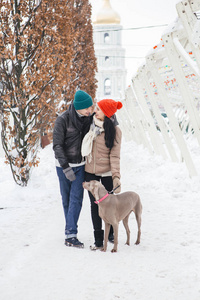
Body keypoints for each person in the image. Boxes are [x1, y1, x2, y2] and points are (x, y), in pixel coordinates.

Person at [53, 90, 93, 248]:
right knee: (67, 200)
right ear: (78, 107)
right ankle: (70, 232)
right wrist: (65, 167)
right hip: (64, 166)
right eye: (86, 108)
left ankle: (71, 234)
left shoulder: (89, 119)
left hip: (80, 166)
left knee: (76, 200)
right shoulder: (63, 119)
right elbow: (57, 146)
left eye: (91, 107)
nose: (90, 110)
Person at [81, 99, 123, 250]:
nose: (95, 111)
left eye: (98, 109)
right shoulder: (89, 125)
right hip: (90, 172)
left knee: (110, 204)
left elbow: (115, 155)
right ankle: (98, 239)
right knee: (95, 205)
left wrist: (116, 176)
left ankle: (110, 233)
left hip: (106, 172)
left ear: (106, 113)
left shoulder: (115, 131)